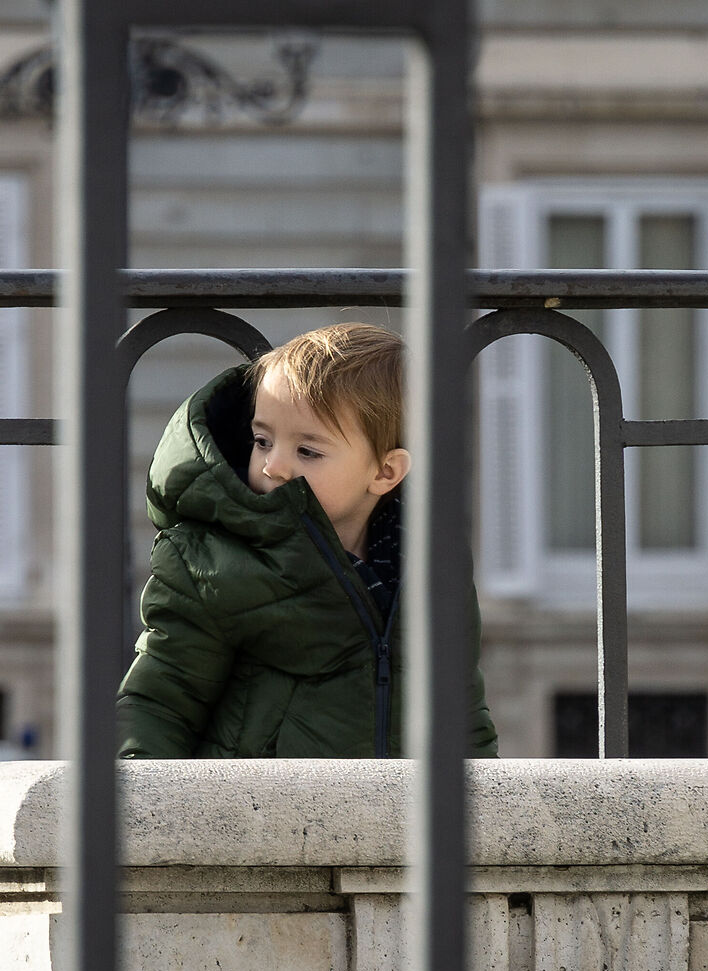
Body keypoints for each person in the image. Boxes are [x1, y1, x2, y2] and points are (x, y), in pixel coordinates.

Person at [117, 323, 497, 759]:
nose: (272, 466)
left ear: (385, 472)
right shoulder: (211, 561)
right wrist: (141, 805)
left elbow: (464, 709)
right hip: (258, 815)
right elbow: (162, 697)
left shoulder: (435, 563)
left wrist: (485, 812)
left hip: (398, 818)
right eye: (262, 441)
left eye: (308, 451)